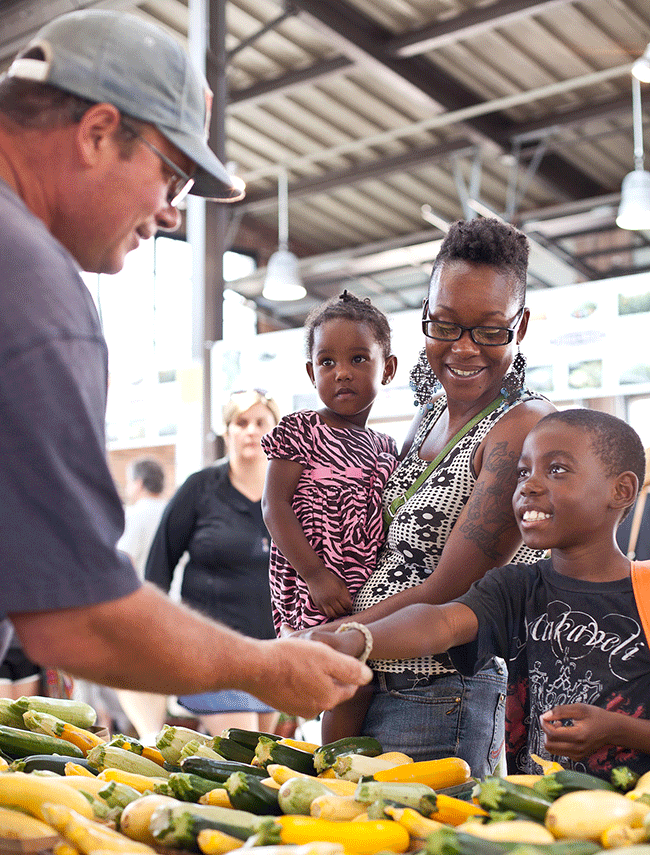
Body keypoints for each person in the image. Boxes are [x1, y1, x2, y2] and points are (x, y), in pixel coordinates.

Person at [0, 9, 371, 721]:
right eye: (173, 176)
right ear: (98, 132)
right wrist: (262, 666)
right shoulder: (34, 293)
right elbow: (75, 614)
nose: (172, 213)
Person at [312, 218, 556, 775]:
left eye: (489, 330)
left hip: (444, 692)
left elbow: (454, 584)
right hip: (371, 674)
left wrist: (338, 635)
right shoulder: (428, 418)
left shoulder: (522, 429)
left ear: (520, 327)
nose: (463, 348)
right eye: (444, 325)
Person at [314, 409, 650, 780]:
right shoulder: (516, 588)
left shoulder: (645, 590)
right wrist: (356, 640)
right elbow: (441, 622)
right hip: (541, 818)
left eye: (556, 470)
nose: (529, 486)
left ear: (621, 490)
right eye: (523, 472)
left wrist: (617, 729)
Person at [146, 390, 282, 736]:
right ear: (227, 433)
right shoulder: (200, 488)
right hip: (211, 651)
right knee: (246, 750)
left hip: (272, 653)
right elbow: (159, 564)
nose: (251, 431)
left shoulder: (287, 493)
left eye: (260, 423)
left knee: (259, 763)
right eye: (241, 422)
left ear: (275, 430)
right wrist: (157, 633)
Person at [261, 291, 399, 632]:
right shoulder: (302, 430)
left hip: (364, 598)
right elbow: (273, 505)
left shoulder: (386, 449)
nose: (342, 373)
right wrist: (315, 575)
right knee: (310, 671)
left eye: (358, 359)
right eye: (327, 362)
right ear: (312, 372)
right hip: (310, 591)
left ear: (388, 369)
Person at [118, 458, 167, 579]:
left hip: (146, 590)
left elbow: (125, 560)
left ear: (138, 483)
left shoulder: (133, 514)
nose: (126, 488)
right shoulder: (173, 511)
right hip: (174, 593)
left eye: (129, 482)